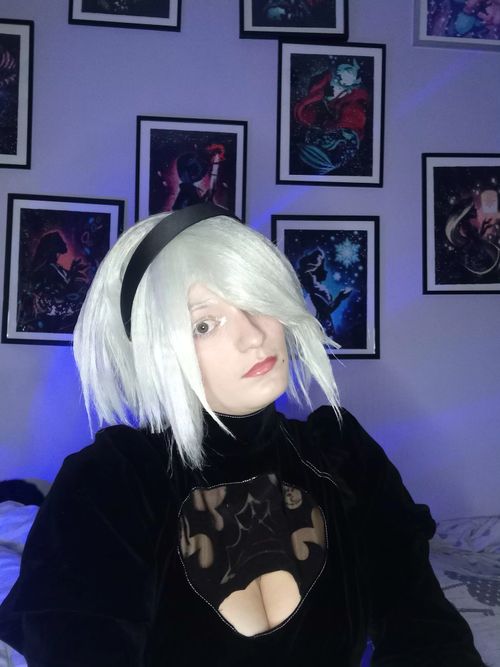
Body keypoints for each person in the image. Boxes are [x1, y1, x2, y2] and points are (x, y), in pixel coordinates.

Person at [0, 203, 485, 666]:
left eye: (256, 299)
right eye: (204, 324)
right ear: (156, 349)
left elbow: (425, 631)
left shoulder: (340, 454)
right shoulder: (113, 481)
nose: (253, 334)